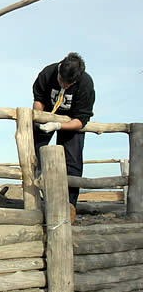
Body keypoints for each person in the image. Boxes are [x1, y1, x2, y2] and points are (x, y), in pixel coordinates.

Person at [33, 52, 95, 216]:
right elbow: (38, 98)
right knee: (34, 153)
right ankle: (35, 197)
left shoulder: (86, 84)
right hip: (47, 114)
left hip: (71, 121)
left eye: (69, 84)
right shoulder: (48, 73)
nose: (64, 85)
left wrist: (59, 125)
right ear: (59, 70)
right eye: (62, 81)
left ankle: (69, 205)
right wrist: (40, 119)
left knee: (73, 162)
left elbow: (81, 120)